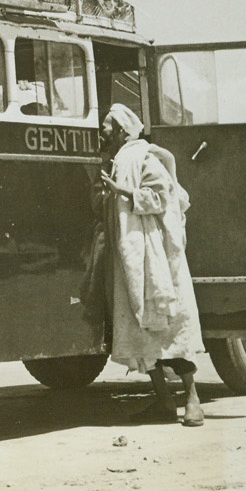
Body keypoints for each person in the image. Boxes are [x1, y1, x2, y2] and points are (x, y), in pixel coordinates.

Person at [99, 103, 206, 427]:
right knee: (143, 334)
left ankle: (192, 401)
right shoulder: (119, 160)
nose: (101, 132)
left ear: (120, 129)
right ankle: (163, 402)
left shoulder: (144, 156)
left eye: (106, 127)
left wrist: (123, 191)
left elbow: (162, 197)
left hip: (157, 258)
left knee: (171, 329)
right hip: (132, 259)